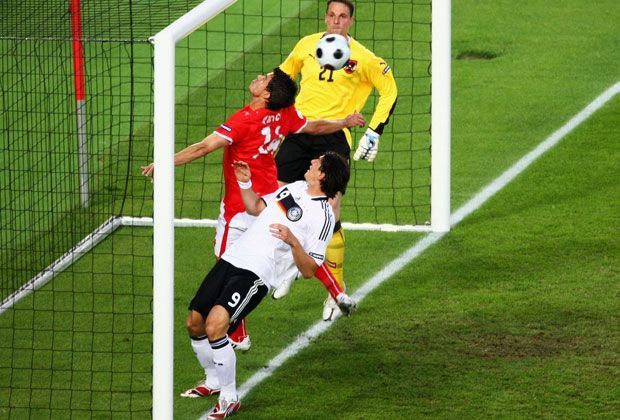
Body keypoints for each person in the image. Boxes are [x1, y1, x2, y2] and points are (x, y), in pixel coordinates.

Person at [142, 68, 364, 398]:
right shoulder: (285, 113)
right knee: (293, 251)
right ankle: (336, 292)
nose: (259, 76)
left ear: (266, 95)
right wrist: (343, 123)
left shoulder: (244, 120)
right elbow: (313, 126)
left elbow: (204, 147)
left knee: (225, 268)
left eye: (264, 78)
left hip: (242, 207)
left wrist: (164, 161)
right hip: (269, 198)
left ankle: (237, 332)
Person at [186, 152, 354, 418]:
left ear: (322, 175)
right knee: (194, 322)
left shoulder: (323, 217)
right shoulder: (296, 188)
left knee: (215, 325)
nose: (310, 162)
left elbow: (309, 269)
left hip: (258, 272)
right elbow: (255, 207)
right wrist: (245, 184)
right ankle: (213, 380)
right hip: (233, 257)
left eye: (317, 163)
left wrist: (294, 242)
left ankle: (229, 398)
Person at [274, 0, 398, 320]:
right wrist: (274, 115)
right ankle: (291, 263)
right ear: (325, 17)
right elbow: (282, 79)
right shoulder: (306, 45)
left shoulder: (364, 58)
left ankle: (336, 291)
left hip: (335, 137)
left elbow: (390, 90)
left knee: (331, 212)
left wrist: (373, 132)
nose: (336, 21)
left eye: (343, 16)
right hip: (300, 131)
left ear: (351, 21)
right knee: (281, 200)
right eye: (331, 15)